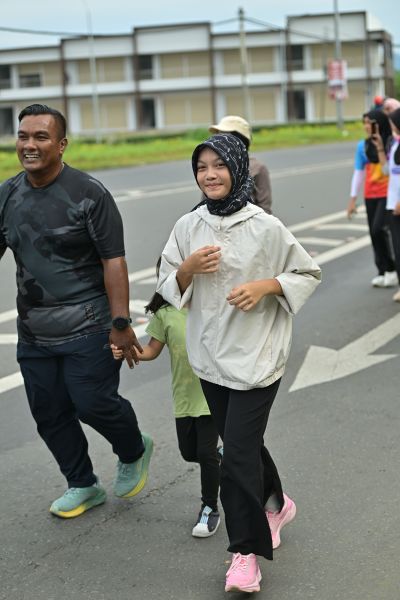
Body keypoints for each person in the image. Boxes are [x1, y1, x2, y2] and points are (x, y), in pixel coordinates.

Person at [156, 133, 321, 593]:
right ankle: (276, 503)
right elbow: (166, 282)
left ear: (238, 168)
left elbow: (306, 272)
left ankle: (245, 553)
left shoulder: (265, 227)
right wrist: (186, 269)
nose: (209, 175)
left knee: (235, 457)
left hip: (257, 358)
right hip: (209, 358)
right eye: (201, 167)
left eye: (219, 165)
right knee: (241, 443)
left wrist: (265, 286)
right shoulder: (188, 225)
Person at [0, 103, 153, 518]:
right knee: (48, 412)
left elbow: (113, 260)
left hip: (90, 325)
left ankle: (133, 449)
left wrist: (120, 323)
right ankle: (82, 484)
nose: (29, 145)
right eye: (23, 136)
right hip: (34, 330)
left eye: (41, 137)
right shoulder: (8, 194)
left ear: (62, 144)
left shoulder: (89, 194)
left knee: (92, 402)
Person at [111, 258, 221, 538]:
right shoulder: (165, 313)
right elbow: (150, 350)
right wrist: (127, 350)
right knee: (189, 452)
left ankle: (209, 508)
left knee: (206, 453)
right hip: (184, 396)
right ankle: (221, 457)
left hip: (214, 393)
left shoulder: (212, 305)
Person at [347, 109, 397, 288]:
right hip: (370, 194)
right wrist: (353, 199)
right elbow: (359, 173)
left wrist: (380, 147)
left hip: (387, 193)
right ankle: (382, 271)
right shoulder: (363, 146)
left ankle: (391, 269)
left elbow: (389, 171)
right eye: (365, 123)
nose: (366, 126)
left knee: (378, 229)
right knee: (373, 233)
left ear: (380, 123)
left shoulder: (391, 143)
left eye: (370, 122)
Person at [208, 115, 273, 214]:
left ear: (240, 140)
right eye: (218, 136)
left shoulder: (258, 168)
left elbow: (265, 208)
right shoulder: (212, 167)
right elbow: (205, 203)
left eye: (224, 136)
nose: (218, 141)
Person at [373, 107, 400, 302]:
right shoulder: (394, 144)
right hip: (393, 205)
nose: (390, 127)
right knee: (397, 248)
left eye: (392, 123)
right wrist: (381, 148)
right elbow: (386, 172)